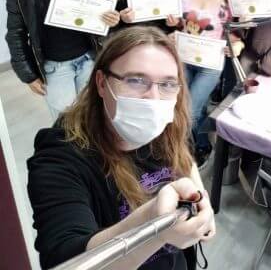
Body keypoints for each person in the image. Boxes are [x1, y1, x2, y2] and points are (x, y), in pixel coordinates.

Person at [27, 26, 216, 269]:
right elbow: (67, 261)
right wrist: (153, 225)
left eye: (168, 84)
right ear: (102, 84)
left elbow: (184, 157)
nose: (154, 99)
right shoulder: (60, 157)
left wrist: (202, 199)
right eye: (136, 80)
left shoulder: (167, 127)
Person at [4, 0, 119, 119]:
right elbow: (15, 35)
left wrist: (110, 20)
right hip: (55, 68)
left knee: (92, 115)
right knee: (66, 121)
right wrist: (28, 75)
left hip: (87, 61)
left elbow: (100, 28)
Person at [166, 0, 237, 167]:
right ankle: (203, 144)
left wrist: (235, 45)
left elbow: (237, 32)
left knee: (191, 109)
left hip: (210, 62)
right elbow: (178, 21)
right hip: (183, 56)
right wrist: (174, 25)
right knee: (181, 104)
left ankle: (182, 156)